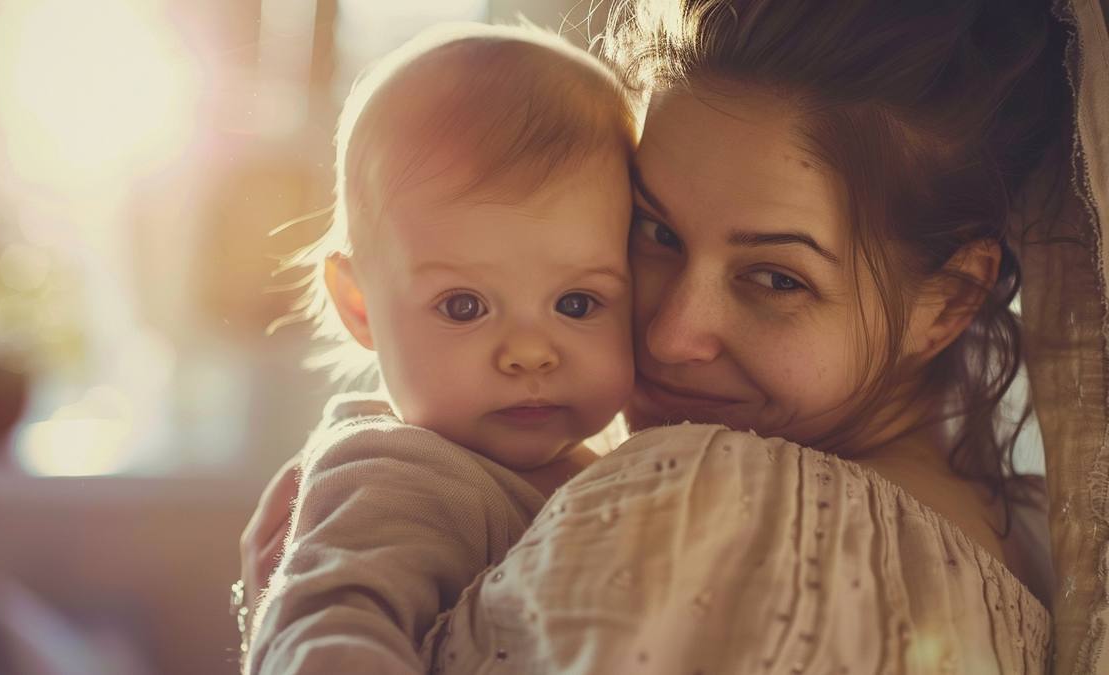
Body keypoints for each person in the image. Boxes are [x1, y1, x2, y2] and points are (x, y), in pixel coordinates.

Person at [242, 0, 1073, 672]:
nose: (671, 335)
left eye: (777, 278)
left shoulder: (700, 500)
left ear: (950, 298)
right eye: (654, 233)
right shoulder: (1053, 544)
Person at [242, 22, 638, 674]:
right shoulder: (397, 471)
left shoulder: (614, 466)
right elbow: (324, 627)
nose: (530, 353)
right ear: (359, 304)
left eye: (577, 303)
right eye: (464, 306)